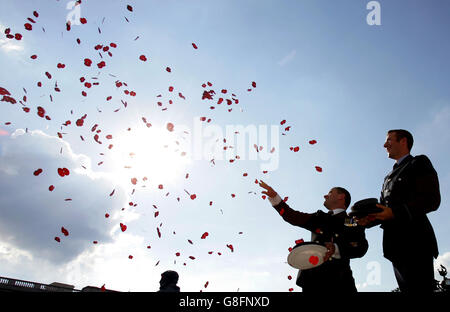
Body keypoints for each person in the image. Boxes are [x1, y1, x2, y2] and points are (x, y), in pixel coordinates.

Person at [356, 129, 440, 292]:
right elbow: (384, 211)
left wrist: (395, 213)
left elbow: (432, 200)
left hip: (416, 242)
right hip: (395, 246)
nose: (385, 144)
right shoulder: (388, 178)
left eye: (389, 140)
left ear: (403, 141)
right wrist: (369, 220)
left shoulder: (418, 163)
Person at [259, 181, 368, 293]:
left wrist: (336, 248)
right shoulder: (319, 218)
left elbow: (361, 247)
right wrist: (275, 198)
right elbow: (293, 216)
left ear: (341, 196)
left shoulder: (351, 222)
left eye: (330, 192)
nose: (325, 195)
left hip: (341, 284)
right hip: (312, 283)